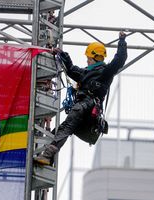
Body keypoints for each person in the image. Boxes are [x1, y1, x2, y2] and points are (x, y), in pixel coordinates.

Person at [34, 31, 128, 165]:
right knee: (60, 130)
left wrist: (122, 41)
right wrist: (61, 53)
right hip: (85, 109)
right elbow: (71, 69)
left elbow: (119, 60)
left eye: (89, 58)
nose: (87, 60)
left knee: (65, 127)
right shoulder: (86, 72)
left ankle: (47, 156)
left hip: (86, 106)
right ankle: (48, 158)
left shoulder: (105, 72)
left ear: (95, 58)